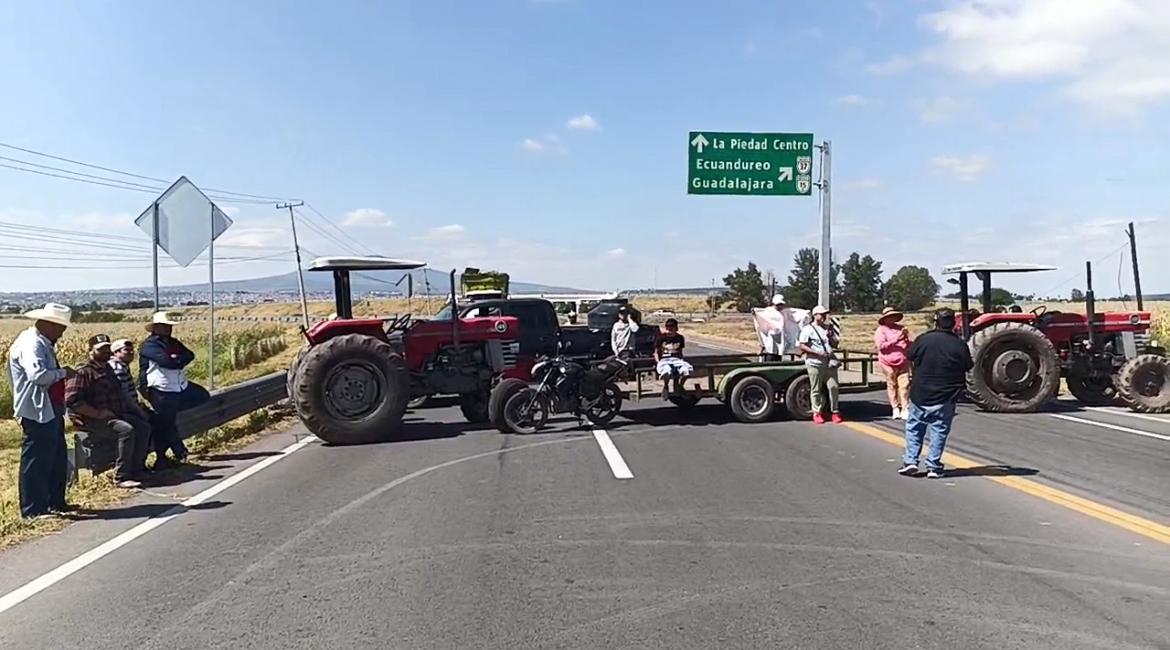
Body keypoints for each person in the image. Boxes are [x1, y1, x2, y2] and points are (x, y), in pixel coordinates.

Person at [8, 303, 75, 519]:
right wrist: (63, 373)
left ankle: (55, 501)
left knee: (55, 456)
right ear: (49, 324)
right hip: (36, 408)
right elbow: (37, 376)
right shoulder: (32, 344)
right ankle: (34, 509)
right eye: (60, 327)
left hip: (48, 406)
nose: (62, 333)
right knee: (37, 459)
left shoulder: (42, 342)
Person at [899, 308, 974, 479]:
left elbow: (909, 355)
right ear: (953, 323)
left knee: (915, 428)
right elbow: (968, 365)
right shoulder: (959, 344)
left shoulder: (924, 339)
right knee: (939, 431)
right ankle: (933, 466)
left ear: (936, 321)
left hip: (921, 393)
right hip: (946, 395)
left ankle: (911, 461)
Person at [66, 335, 145, 489]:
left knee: (143, 426)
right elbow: (71, 401)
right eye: (101, 349)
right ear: (90, 351)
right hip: (93, 420)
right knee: (126, 430)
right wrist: (97, 414)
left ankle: (137, 469)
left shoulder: (107, 369)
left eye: (107, 349)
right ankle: (121, 476)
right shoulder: (83, 372)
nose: (106, 352)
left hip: (112, 414)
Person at [139, 312, 210, 468]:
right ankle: (170, 455)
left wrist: (175, 358)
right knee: (166, 422)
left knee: (202, 396)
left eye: (169, 326)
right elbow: (166, 362)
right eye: (165, 326)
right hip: (160, 388)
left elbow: (189, 355)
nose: (169, 329)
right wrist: (176, 359)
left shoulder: (172, 342)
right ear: (156, 328)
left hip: (178, 386)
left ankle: (175, 453)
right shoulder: (150, 345)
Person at [108, 339, 153, 476]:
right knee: (143, 427)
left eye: (131, 350)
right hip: (123, 410)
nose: (131, 353)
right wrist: (139, 411)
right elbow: (125, 396)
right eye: (126, 350)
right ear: (115, 352)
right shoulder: (117, 368)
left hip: (127, 407)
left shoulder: (123, 366)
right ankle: (135, 468)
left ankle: (139, 465)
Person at [798, 305, 843, 424]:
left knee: (833, 387)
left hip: (829, 362)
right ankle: (817, 412)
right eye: (821, 314)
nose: (823, 317)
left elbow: (834, 344)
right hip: (814, 362)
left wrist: (831, 336)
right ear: (815, 315)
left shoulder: (827, 328)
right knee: (816, 388)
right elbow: (802, 345)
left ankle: (835, 411)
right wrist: (816, 352)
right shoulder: (808, 329)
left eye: (825, 314)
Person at [874, 307, 912, 420]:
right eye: (889, 317)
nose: (892, 318)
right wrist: (897, 339)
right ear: (885, 319)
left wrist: (907, 338)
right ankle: (895, 408)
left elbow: (911, 342)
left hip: (903, 361)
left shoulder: (902, 329)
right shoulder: (881, 330)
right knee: (892, 385)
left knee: (904, 385)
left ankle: (905, 408)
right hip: (887, 362)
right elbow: (880, 346)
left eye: (893, 316)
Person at [654, 318, 693, 398]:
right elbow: (656, 352)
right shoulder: (661, 338)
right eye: (668, 328)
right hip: (665, 359)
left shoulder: (680, 338)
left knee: (687, 370)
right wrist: (658, 361)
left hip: (677, 359)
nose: (669, 331)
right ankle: (666, 386)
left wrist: (681, 360)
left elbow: (680, 351)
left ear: (676, 329)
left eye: (672, 329)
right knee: (666, 371)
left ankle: (680, 385)